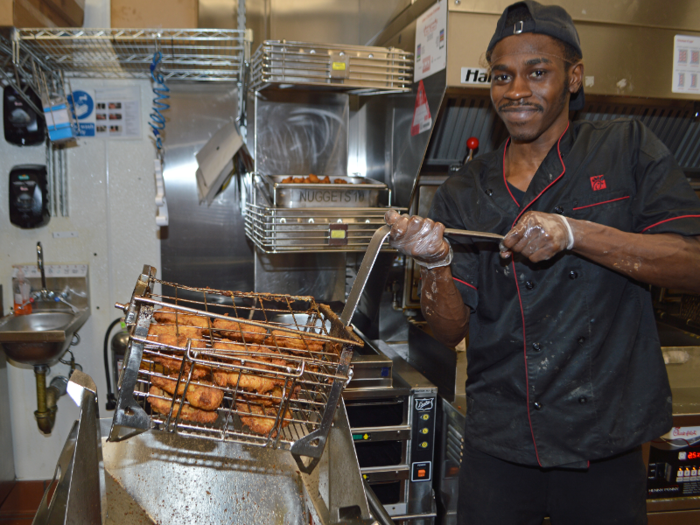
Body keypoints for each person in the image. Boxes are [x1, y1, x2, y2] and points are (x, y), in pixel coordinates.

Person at [385, 1, 700, 524]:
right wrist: (437, 264)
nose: (516, 91)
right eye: (502, 76)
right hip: (501, 443)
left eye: (538, 72)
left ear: (573, 77)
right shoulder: (466, 188)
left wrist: (575, 232)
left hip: (605, 443)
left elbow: (690, 263)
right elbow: (447, 330)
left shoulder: (626, 149)